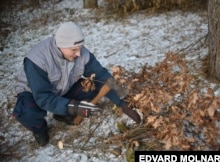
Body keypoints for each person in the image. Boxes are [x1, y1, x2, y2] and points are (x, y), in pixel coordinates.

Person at [12, 22, 141, 147]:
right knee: (27, 112)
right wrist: (74, 106)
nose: (79, 54)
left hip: (62, 89)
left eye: (80, 48)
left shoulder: (81, 53)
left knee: (92, 86)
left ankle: (62, 114)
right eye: (74, 50)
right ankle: (39, 129)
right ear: (61, 45)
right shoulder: (37, 59)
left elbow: (102, 76)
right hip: (34, 93)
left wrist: (122, 100)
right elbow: (43, 97)